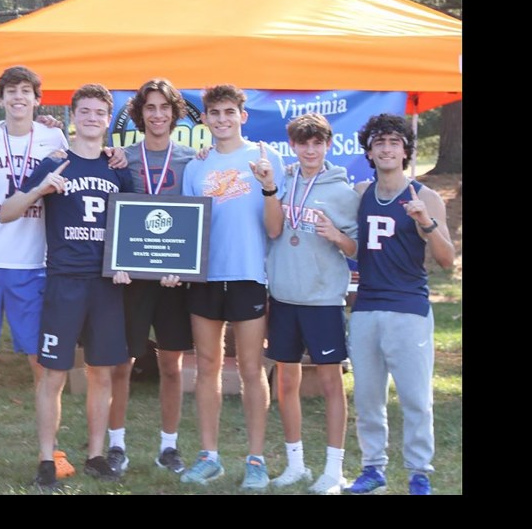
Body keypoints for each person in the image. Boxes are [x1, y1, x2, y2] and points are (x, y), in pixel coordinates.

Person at [0, 83, 135, 490]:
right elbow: (7, 211)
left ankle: (95, 455)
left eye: (100, 112)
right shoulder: (56, 162)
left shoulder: (118, 167)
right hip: (64, 280)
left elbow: (132, 223)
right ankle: (46, 459)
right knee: (53, 374)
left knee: (102, 372)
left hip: (107, 283)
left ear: (108, 118)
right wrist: (40, 189)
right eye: (86, 111)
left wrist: (126, 262)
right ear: (72, 116)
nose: (92, 118)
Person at [0, 66, 73, 479]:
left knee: (41, 362)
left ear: (38, 99)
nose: (18, 98)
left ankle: (52, 448)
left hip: (33, 264)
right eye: (11, 91)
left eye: (26, 91)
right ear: (0, 98)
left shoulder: (54, 138)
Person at [179, 83, 285, 489]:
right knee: (206, 367)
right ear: (204, 119)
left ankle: (256, 459)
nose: (222, 119)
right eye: (214, 113)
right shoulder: (196, 166)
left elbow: (274, 228)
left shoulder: (264, 157)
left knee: (251, 368)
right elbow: (189, 229)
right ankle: (209, 456)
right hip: (206, 276)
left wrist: (269, 185)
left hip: (248, 275)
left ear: (243, 116)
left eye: (229, 112)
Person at [345, 113, 454, 496]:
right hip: (366, 306)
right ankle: (373, 467)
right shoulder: (360, 192)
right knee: (368, 396)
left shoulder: (425, 197)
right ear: (369, 153)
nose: (387, 148)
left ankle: (419, 472)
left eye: (394, 141)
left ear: (406, 150)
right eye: (379, 143)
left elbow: (447, 260)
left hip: (408, 308)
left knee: (415, 398)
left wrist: (426, 223)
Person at [254, 112, 359, 495]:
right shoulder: (283, 182)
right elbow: (274, 230)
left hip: (323, 299)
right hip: (283, 295)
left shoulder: (343, 192)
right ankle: (296, 464)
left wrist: (337, 236)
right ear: (293, 146)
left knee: (331, 382)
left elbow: (357, 249)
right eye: (303, 143)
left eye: (317, 143)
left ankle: (334, 469)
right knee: (286, 380)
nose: (310, 150)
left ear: (328, 145)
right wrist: (269, 190)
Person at [106, 78, 196, 476]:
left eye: (164, 108)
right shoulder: (121, 157)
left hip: (174, 280)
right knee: (122, 362)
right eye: (150, 108)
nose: (157, 115)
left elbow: (199, 219)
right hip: (132, 278)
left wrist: (187, 266)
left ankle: (169, 447)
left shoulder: (193, 159)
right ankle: (115, 444)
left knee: (172, 365)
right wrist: (116, 259)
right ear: (140, 115)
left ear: (174, 113)